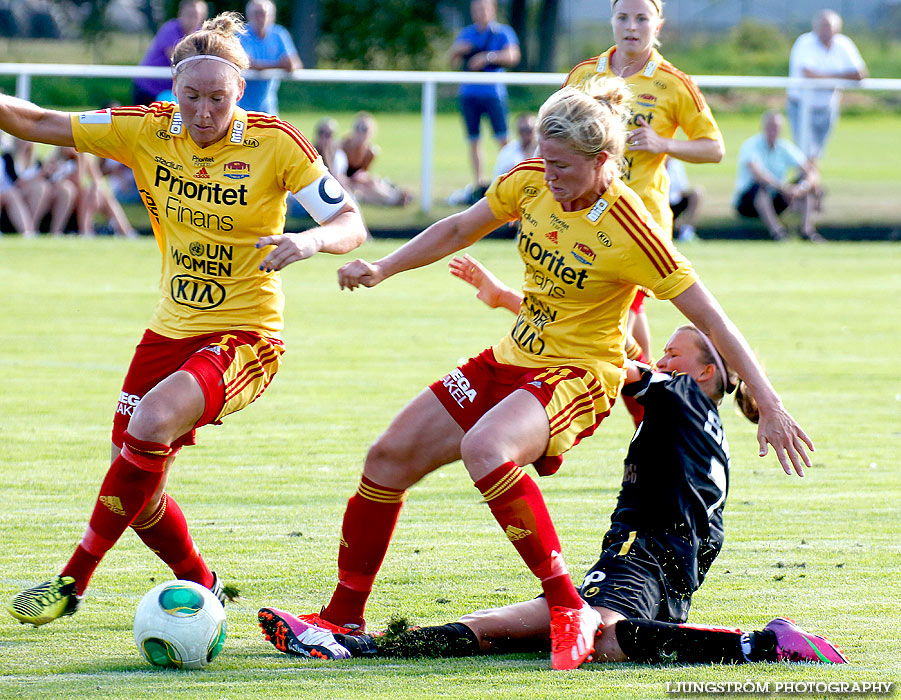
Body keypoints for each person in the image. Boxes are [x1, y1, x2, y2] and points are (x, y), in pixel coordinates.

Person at [263, 78, 814, 671]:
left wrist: (771, 402)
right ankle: (342, 619)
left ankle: (566, 608)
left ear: (604, 161)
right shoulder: (530, 179)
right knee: (386, 458)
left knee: (487, 447)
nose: (548, 174)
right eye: (545, 160)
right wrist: (383, 267)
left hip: (579, 374)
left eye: (563, 166)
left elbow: (715, 320)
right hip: (511, 357)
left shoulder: (632, 229)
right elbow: (457, 229)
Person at [5, 11, 366, 628]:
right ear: (173, 90)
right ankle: (201, 583)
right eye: (190, 96)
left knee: (147, 427)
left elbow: (351, 223)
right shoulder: (145, 129)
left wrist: (307, 242)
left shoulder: (275, 142)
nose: (203, 111)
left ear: (240, 94)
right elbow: (36, 121)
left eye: (217, 99)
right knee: (136, 479)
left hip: (245, 336)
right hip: (167, 329)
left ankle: (72, 580)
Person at [258, 310, 844, 666]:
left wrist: (526, 310)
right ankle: (352, 645)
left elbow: (601, 354)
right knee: (499, 628)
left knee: (605, 641)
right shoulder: (694, 421)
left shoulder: (679, 395)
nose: (659, 357)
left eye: (671, 352)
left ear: (705, 373)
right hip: (661, 571)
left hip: (638, 561)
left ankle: (763, 645)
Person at [563, 0, 725, 366]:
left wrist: (663, 143)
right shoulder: (584, 75)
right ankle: (647, 400)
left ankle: (626, 396)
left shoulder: (673, 83)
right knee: (613, 327)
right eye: (623, 17)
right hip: (587, 217)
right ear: (612, 21)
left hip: (640, 221)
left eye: (641, 18)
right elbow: (556, 135)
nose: (631, 26)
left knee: (613, 319)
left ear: (658, 25)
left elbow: (713, 148)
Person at [449, 0, 520, 197]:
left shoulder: (502, 33)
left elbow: (513, 56)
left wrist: (488, 57)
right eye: (476, 10)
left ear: (492, 10)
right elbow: (451, 59)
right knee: (473, 140)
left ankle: (509, 179)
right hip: (469, 94)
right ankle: (479, 184)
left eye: (483, 9)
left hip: (493, 93)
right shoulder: (466, 34)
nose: (480, 13)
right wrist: (458, 50)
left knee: (503, 138)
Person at [787, 9, 867, 161]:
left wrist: (828, 78)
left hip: (827, 107)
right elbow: (807, 73)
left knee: (816, 154)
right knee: (805, 151)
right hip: (801, 105)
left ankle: (806, 182)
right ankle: (809, 183)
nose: (825, 30)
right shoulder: (805, 42)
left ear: (838, 29)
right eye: (822, 26)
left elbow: (860, 74)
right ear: (815, 27)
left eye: (829, 26)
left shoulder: (844, 44)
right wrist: (840, 78)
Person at [733, 111, 823, 243]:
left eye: (776, 127)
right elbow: (758, 174)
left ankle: (807, 231)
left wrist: (802, 187)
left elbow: (811, 171)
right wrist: (783, 188)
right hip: (748, 201)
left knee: (805, 186)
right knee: (761, 188)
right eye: (770, 126)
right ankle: (778, 233)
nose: (773, 130)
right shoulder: (751, 145)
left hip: (777, 197)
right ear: (763, 127)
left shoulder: (784, 147)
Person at [133, 0, 208, 105]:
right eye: (188, 14)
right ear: (180, 14)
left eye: (195, 15)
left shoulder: (201, 35)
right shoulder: (170, 28)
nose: (191, 19)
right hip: (148, 87)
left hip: (171, 92)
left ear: (202, 18)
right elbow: (176, 57)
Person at [238, 0, 302, 115]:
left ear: (272, 15)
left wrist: (288, 65)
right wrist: (279, 65)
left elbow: (295, 64)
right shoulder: (241, 34)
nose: (261, 17)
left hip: (268, 105)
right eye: (257, 13)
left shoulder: (279, 34)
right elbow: (246, 63)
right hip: (241, 105)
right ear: (249, 15)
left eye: (264, 13)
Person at [339, 112, 411, 207]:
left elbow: (363, 172)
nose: (360, 133)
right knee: (361, 188)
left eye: (365, 129)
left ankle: (393, 196)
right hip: (342, 181)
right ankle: (392, 199)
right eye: (357, 128)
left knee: (372, 182)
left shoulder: (371, 152)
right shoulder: (342, 147)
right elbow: (337, 174)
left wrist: (362, 177)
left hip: (357, 181)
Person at [491, 112, 537, 180]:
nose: (525, 134)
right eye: (522, 130)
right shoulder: (507, 151)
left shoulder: (543, 151)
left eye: (528, 130)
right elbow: (497, 178)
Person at [666, 156, 702, 242]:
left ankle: (686, 232)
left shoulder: (676, 165)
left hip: (673, 203)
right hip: (656, 203)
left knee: (696, 193)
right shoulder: (651, 165)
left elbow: (683, 189)